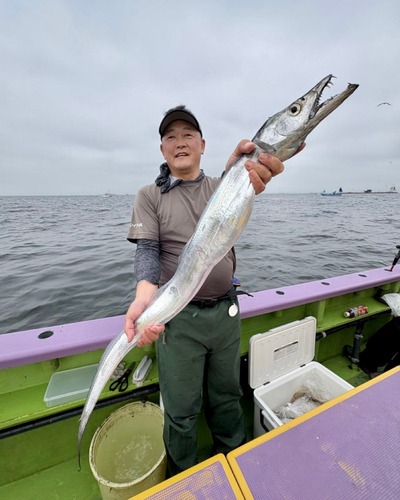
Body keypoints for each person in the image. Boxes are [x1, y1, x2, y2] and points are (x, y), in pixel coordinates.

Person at [125, 105, 298, 477]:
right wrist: (144, 298)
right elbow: (147, 252)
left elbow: (248, 174)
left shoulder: (224, 186)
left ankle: (235, 466)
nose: (180, 142)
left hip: (225, 315)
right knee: (182, 410)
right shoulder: (148, 196)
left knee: (228, 399)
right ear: (162, 150)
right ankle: (185, 478)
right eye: (170, 136)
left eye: (188, 134)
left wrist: (261, 163)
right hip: (178, 320)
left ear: (202, 145)